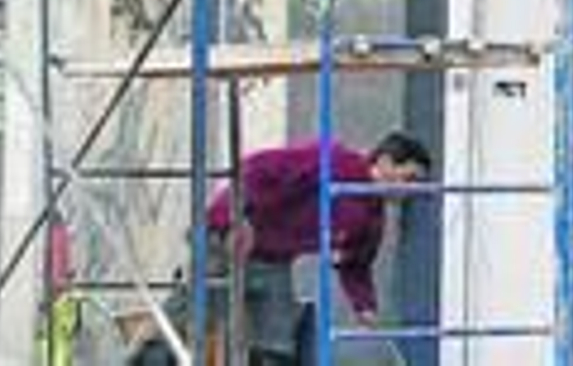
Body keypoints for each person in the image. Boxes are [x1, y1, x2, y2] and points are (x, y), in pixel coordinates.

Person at [129, 131, 432, 365]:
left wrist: (364, 305)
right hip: (227, 238)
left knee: (276, 338)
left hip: (273, 259)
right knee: (191, 318)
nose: (410, 190)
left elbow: (356, 263)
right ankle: (142, 358)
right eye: (409, 178)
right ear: (385, 162)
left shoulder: (372, 215)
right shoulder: (335, 162)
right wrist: (236, 216)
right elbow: (258, 168)